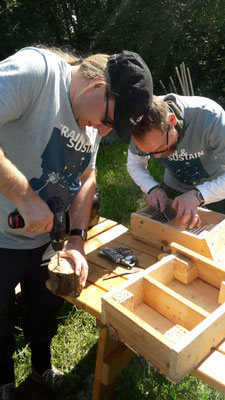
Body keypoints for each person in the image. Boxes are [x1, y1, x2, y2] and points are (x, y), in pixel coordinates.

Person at [0, 46, 153, 399]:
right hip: (2, 236)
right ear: (97, 84)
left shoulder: (93, 120)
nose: (102, 133)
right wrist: (24, 196)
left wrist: (77, 240)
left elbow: (87, 177)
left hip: (45, 238)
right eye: (107, 122)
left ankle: (40, 368)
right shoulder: (36, 72)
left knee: (45, 306)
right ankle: (4, 382)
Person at [127, 94, 225, 229]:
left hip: (218, 187)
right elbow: (135, 164)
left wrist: (199, 195)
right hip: (174, 185)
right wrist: (152, 189)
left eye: (161, 148)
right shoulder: (136, 127)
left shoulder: (211, 117)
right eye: (150, 152)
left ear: (172, 121)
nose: (157, 157)